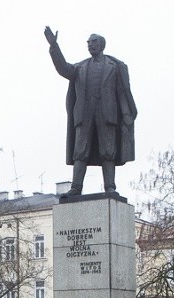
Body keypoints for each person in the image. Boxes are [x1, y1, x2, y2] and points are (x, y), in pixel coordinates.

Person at [44, 26, 137, 196]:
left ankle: (110, 186)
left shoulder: (114, 66)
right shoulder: (80, 67)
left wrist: (126, 114)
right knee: (80, 151)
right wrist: (54, 46)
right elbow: (63, 68)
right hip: (84, 114)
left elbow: (122, 92)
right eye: (88, 42)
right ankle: (76, 187)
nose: (89, 45)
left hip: (107, 114)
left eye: (93, 42)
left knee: (108, 151)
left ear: (101, 45)